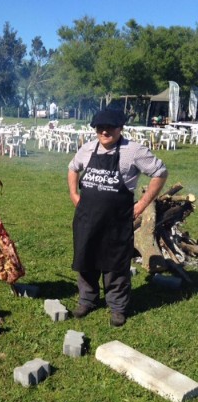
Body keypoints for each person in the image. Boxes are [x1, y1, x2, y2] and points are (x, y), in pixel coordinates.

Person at [68, 109, 168, 327]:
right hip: (86, 218)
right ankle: (87, 300)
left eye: (110, 127)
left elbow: (160, 172)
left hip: (117, 220)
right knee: (85, 259)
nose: (104, 131)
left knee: (116, 264)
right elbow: (73, 168)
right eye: (99, 128)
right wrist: (74, 194)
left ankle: (117, 307)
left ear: (120, 128)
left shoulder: (133, 151)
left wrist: (142, 204)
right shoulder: (87, 148)